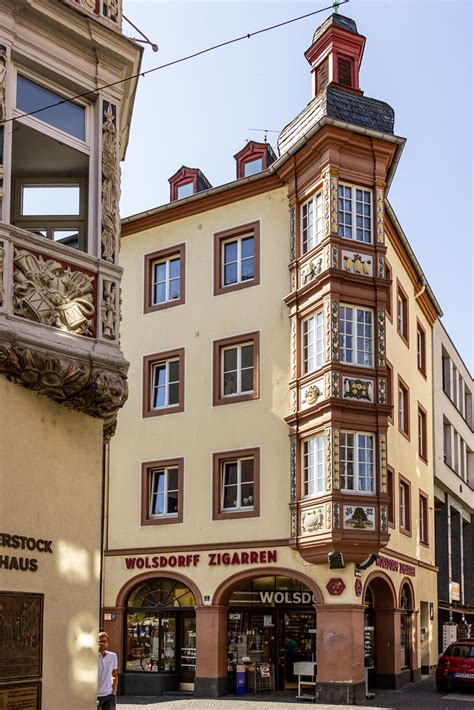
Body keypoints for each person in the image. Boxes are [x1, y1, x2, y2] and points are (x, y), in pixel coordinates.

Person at [97, 631, 118, 709]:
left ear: (107, 643)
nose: (102, 643)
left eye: (104, 641)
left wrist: (114, 691)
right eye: (100, 641)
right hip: (96, 696)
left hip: (109, 695)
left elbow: (115, 674)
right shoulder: (92, 657)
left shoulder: (113, 656)